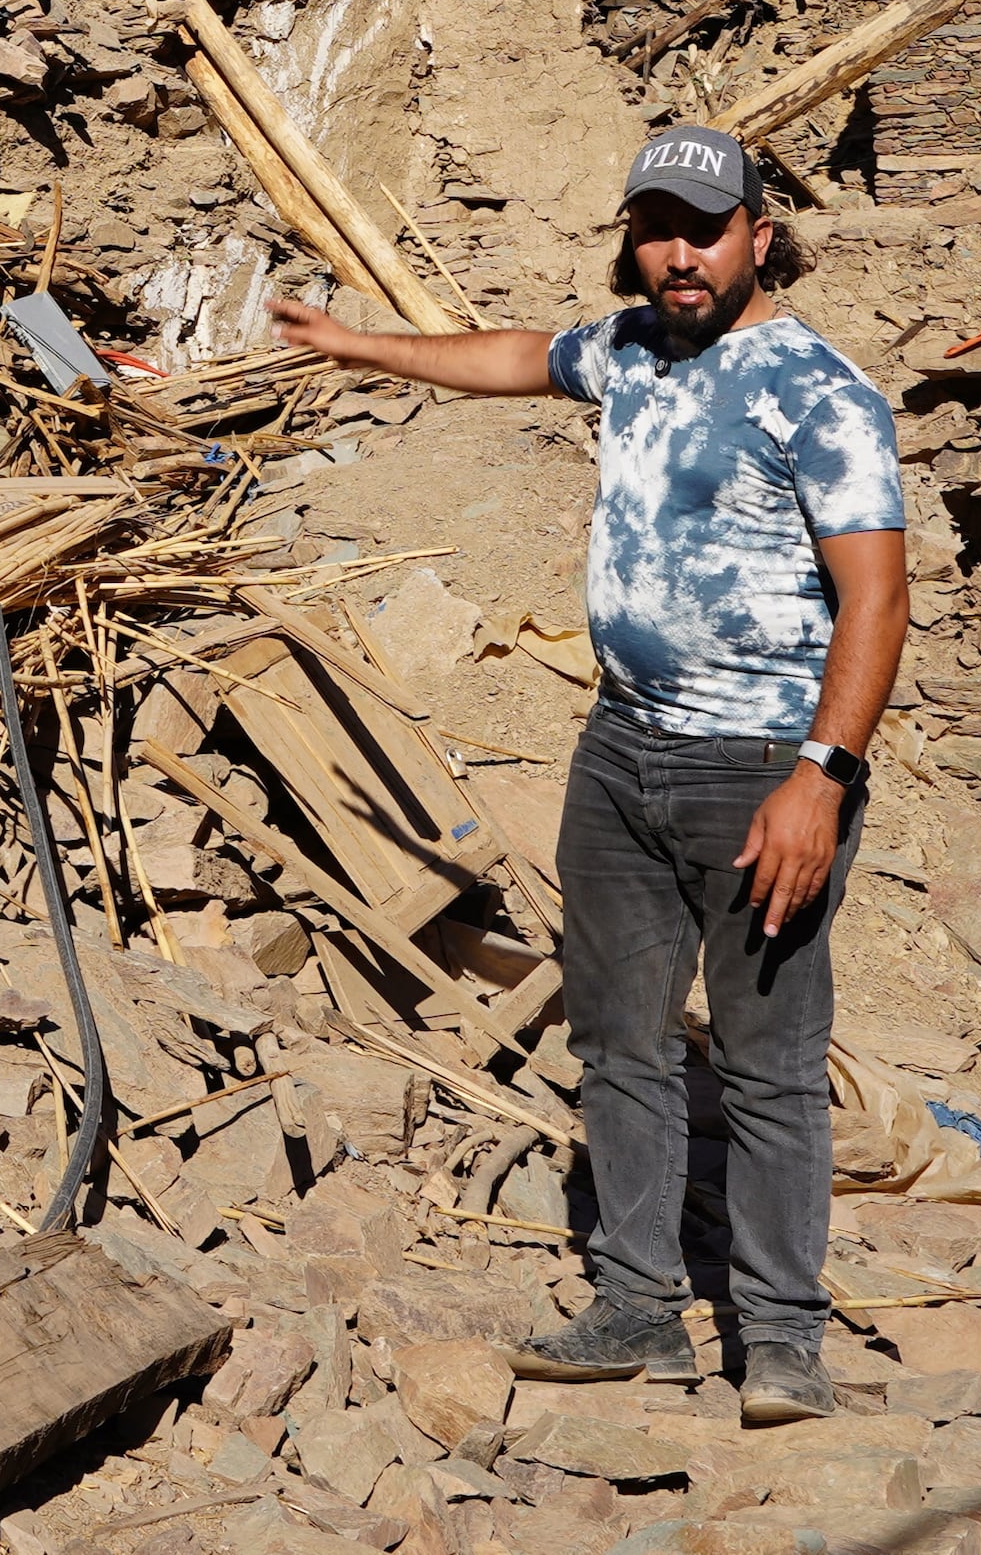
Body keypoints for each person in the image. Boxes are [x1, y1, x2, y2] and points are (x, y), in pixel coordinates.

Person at [265, 123, 907, 1429]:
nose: (678, 252)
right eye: (657, 227)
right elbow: (513, 352)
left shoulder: (817, 391)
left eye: (705, 228)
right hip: (622, 748)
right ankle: (635, 1306)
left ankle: (782, 1334)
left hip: (766, 765)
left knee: (766, 1055)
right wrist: (360, 343)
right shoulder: (626, 350)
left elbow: (879, 598)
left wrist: (824, 775)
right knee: (618, 1035)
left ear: (759, 237)